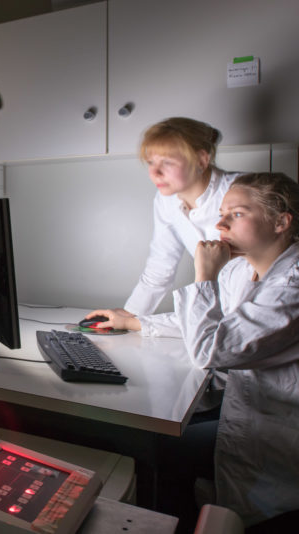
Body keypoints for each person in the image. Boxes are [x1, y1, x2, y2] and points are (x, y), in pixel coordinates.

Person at [88, 172, 299, 529]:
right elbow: (216, 321)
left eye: (236, 213)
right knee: (162, 441)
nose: (219, 223)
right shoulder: (241, 271)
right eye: (221, 213)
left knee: (155, 449)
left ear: (281, 222)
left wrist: (205, 276)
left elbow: (210, 349)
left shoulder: (290, 287)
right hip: (247, 416)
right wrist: (134, 322)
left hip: (278, 439)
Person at [126, 117, 244, 316]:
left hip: (261, 306)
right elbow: (160, 266)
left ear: (201, 160)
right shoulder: (166, 200)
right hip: (223, 313)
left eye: (167, 162)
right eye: (150, 162)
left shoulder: (243, 190)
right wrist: (130, 315)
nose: (155, 172)